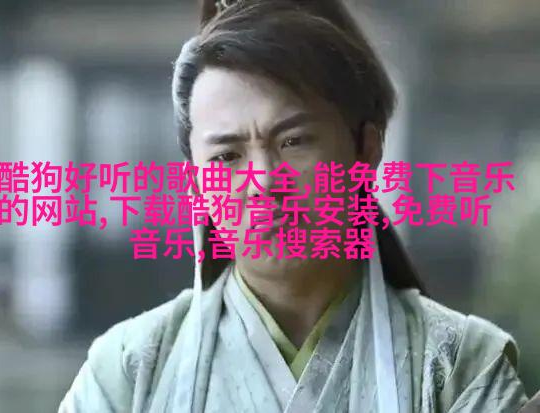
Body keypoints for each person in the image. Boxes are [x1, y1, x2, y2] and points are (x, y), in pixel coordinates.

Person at [59, 0, 531, 411]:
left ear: (366, 150)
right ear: (196, 186)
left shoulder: (460, 364)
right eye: (226, 156)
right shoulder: (128, 371)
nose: (263, 181)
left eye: (293, 141)